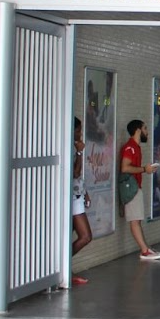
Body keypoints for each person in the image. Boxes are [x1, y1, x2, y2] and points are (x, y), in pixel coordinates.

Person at [120, 118, 160, 261]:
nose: (147, 132)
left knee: (137, 219)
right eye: (145, 129)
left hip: (136, 186)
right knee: (135, 220)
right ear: (138, 130)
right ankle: (144, 250)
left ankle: (146, 248)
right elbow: (125, 167)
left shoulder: (136, 147)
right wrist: (145, 169)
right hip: (131, 188)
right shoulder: (130, 147)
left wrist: (145, 169)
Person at [69, 118, 91, 285]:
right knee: (85, 236)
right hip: (70, 198)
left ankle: (65, 267)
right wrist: (79, 153)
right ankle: (63, 265)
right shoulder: (70, 147)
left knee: (82, 236)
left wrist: (85, 192)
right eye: (78, 131)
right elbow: (75, 173)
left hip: (77, 194)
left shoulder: (74, 145)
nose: (80, 134)